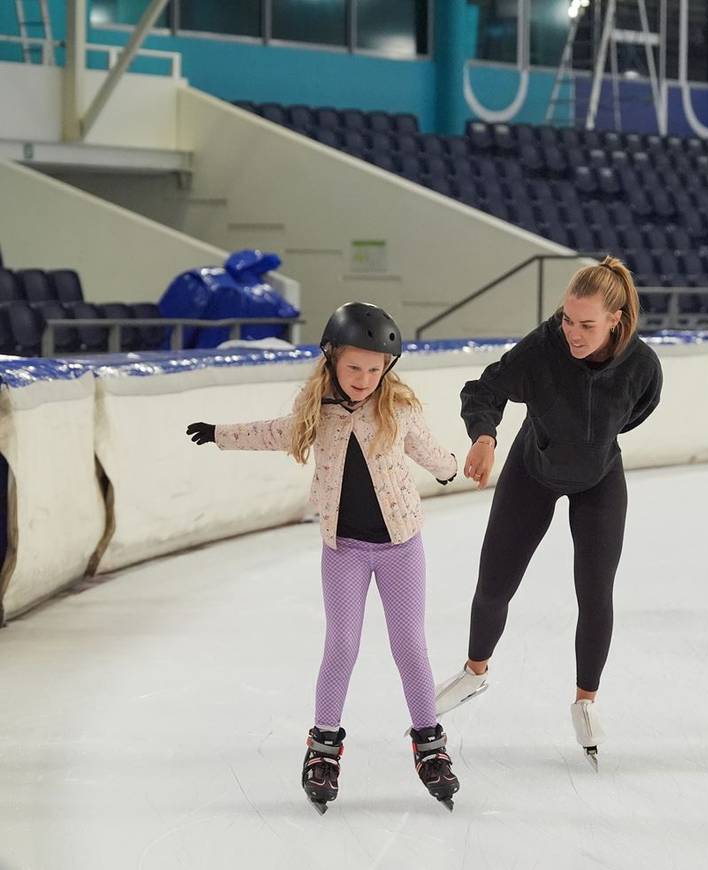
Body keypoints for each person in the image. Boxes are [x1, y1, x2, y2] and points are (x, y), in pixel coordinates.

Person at [186, 302, 461, 811]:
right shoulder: (317, 410)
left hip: (401, 545)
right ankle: (323, 747)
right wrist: (221, 434)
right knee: (342, 645)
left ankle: (430, 744)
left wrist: (449, 467)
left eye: (375, 369)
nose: (364, 378)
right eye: (354, 367)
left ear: (388, 370)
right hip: (346, 550)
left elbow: (426, 447)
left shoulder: (397, 408)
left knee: (409, 646)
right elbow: (279, 432)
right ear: (331, 359)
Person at [435, 256, 663, 768]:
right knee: (494, 582)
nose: (572, 333)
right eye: (566, 319)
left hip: (600, 478)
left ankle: (586, 702)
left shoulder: (643, 366)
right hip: (531, 470)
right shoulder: (543, 349)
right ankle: (475, 671)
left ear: (616, 321)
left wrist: (589, 445)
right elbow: (485, 389)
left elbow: (638, 410)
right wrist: (485, 434)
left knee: (595, 592)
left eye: (586, 324)